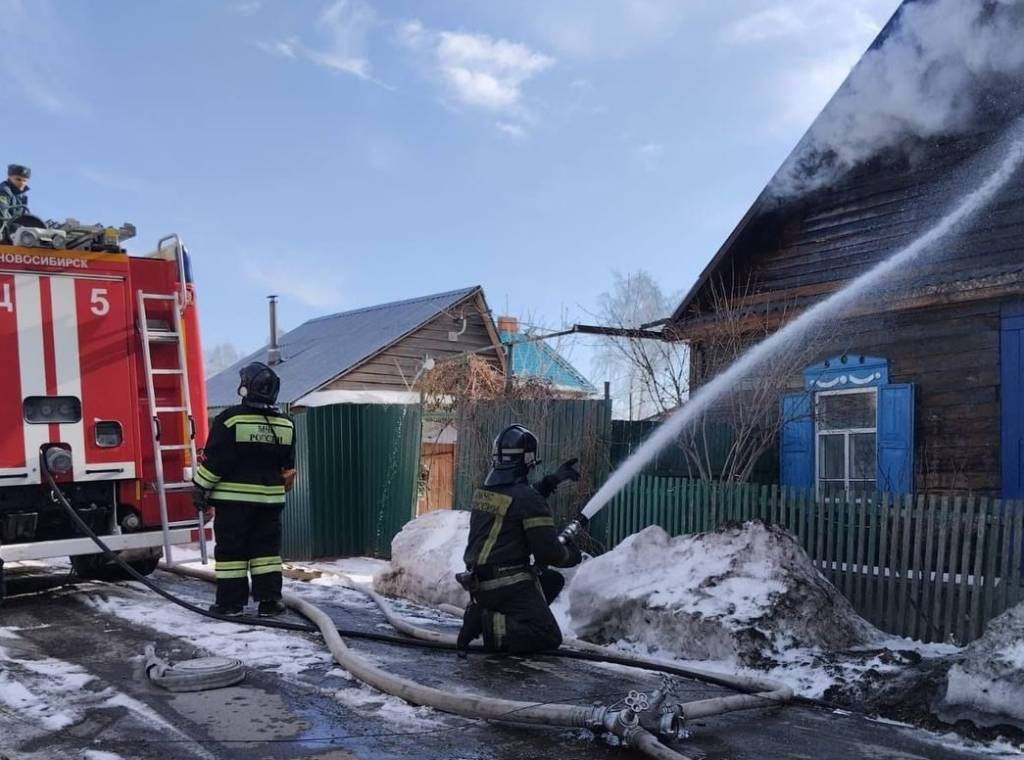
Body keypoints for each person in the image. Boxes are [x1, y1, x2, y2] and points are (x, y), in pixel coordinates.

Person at [456, 424, 584, 655]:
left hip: (480, 582)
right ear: (528, 459)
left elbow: (517, 500)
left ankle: (497, 616)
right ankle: (489, 623)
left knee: (552, 581)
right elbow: (548, 553)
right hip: (506, 584)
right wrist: (572, 556)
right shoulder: (527, 499)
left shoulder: (486, 491)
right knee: (546, 635)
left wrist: (551, 481)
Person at [192, 361, 297, 617]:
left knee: (232, 555)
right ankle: (270, 602)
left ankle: (230, 605)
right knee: (267, 554)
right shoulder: (287, 425)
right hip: (270, 503)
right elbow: (288, 467)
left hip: (234, 505)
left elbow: (217, 462)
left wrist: (200, 487)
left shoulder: (230, 420)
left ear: (246, 387)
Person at [0, 164, 31, 237]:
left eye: (24, 181)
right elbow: (2, 214)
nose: (22, 183)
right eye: (18, 179)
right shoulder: (3, 191)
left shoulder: (22, 196)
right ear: (9, 177)